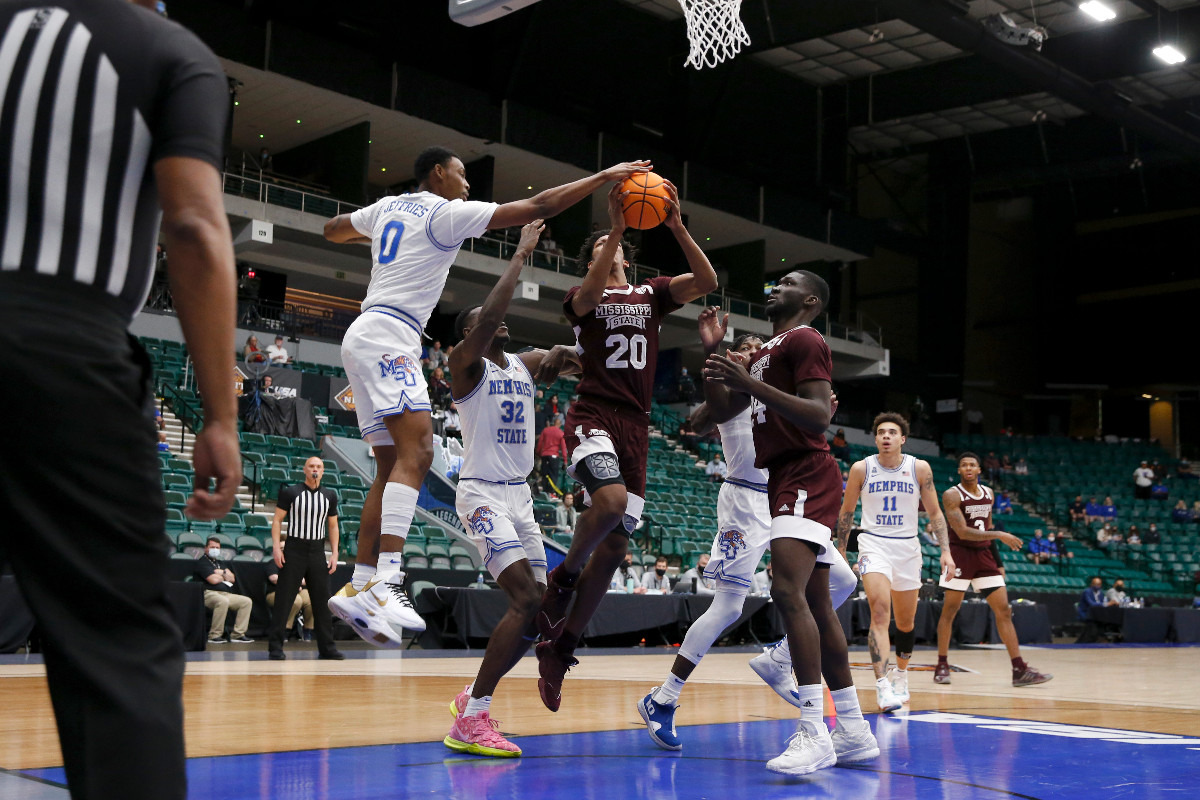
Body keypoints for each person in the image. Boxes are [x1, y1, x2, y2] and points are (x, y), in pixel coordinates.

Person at [0, 2, 239, 796]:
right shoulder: (171, 51)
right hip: (62, 346)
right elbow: (196, 229)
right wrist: (218, 415)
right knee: (116, 655)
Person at [323, 147, 652, 647]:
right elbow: (539, 206)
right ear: (437, 173)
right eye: (460, 173)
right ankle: (387, 581)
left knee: (391, 462)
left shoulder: (389, 206)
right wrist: (604, 174)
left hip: (362, 330)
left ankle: (361, 581)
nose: (467, 184)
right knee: (419, 452)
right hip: (392, 333)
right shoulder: (444, 212)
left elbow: (331, 231)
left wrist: (365, 231)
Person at [532, 177, 718, 713]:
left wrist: (677, 225)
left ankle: (561, 646)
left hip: (638, 427)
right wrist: (613, 227)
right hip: (594, 414)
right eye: (598, 251)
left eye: (612, 252)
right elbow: (588, 296)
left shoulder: (651, 293)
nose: (607, 256)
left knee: (614, 549)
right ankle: (563, 576)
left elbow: (705, 280)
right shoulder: (581, 298)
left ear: (628, 265)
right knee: (609, 505)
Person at [700, 271, 876, 775]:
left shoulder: (805, 338)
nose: (775, 284)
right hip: (784, 475)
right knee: (818, 603)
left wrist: (750, 380)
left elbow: (820, 416)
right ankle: (855, 731)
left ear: (811, 300)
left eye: (789, 281)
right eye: (774, 279)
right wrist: (716, 359)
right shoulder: (764, 351)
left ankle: (812, 729)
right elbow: (722, 409)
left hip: (805, 470)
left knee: (787, 591)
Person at [444, 220, 581, 758]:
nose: (497, 322)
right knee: (524, 597)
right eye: (484, 320)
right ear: (472, 332)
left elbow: (568, 357)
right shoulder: (465, 366)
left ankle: (471, 697)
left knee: (540, 606)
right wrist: (522, 253)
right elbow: (491, 317)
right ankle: (473, 716)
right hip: (481, 493)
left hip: (520, 496)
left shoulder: (520, 365)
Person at [836, 412, 955, 713]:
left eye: (892, 432)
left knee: (905, 622)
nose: (886, 436)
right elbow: (846, 512)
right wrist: (841, 549)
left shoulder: (919, 468)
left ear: (903, 439)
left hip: (907, 549)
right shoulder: (861, 469)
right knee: (878, 612)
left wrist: (946, 551)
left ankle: (900, 674)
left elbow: (936, 513)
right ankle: (882, 687)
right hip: (873, 543)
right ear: (875, 439)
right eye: (881, 433)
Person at [933, 453, 1052, 688]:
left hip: (984, 556)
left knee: (1004, 611)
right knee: (950, 610)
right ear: (959, 470)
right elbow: (964, 531)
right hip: (960, 555)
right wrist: (999, 534)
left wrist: (998, 562)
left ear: (979, 469)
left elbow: (985, 526)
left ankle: (1019, 669)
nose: (968, 468)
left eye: (972, 465)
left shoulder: (988, 493)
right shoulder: (951, 494)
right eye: (964, 464)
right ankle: (942, 664)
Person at [266, 457, 343, 661]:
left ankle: (327, 648)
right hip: (294, 549)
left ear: (323, 471)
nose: (315, 469)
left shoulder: (329, 495)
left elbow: (333, 526)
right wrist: (276, 547)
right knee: (284, 599)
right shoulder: (291, 492)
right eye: (311, 466)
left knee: (322, 601)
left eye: (318, 466)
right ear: (304, 470)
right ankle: (275, 647)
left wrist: (335, 553)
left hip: (317, 550)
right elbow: (277, 520)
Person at [195, 539, 254, 645]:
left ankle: (238, 635)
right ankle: (214, 635)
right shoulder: (202, 562)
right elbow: (213, 580)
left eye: (217, 548)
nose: (215, 550)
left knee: (246, 601)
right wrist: (224, 575)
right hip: (207, 593)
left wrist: (222, 572)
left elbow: (232, 579)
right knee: (222, 601)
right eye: (212, 547)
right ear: (206, 548)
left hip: (225, 593)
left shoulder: (220, 563)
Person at [264, 562, 313, 641]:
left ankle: (307, 629)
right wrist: (293, 584)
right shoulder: (273, 563)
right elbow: (274, 579)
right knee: (295, 600)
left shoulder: (296, 564)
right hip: (276, 593)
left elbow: (304, 580)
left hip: (296, 591)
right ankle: (284, 629)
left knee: (312, 598)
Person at [535, 415, 568, 494]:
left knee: (544, 474)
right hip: (554, 456)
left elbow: (539, 444)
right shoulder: (561, 433)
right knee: (553, 475)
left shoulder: (545, 430)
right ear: (560, 424)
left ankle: (544, 491)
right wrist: (565, 461)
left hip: (544, 455)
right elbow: (563, 448)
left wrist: (538, 453)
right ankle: (551, 493)